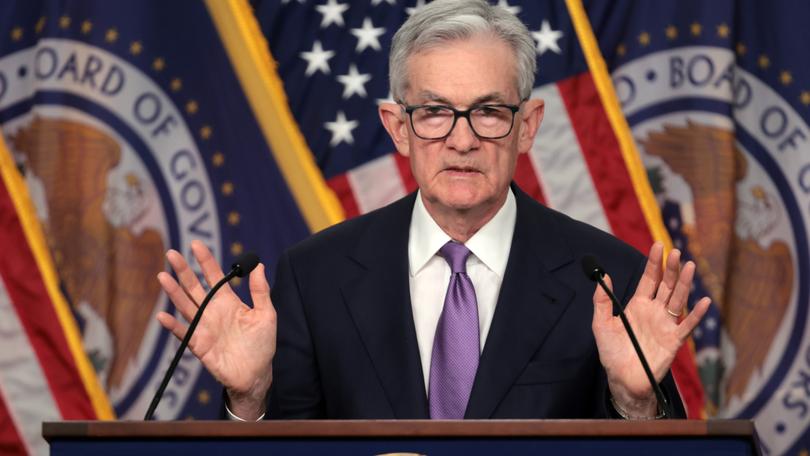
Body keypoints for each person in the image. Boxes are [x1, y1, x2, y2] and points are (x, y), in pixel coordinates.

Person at [156, 0, 710, 421]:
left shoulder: (611, 278)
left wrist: (637, 403)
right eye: (435, 112)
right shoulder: (315, 276)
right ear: (398, 128)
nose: (461, 140)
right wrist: (249, 401)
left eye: (489, 111)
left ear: (529, 125)